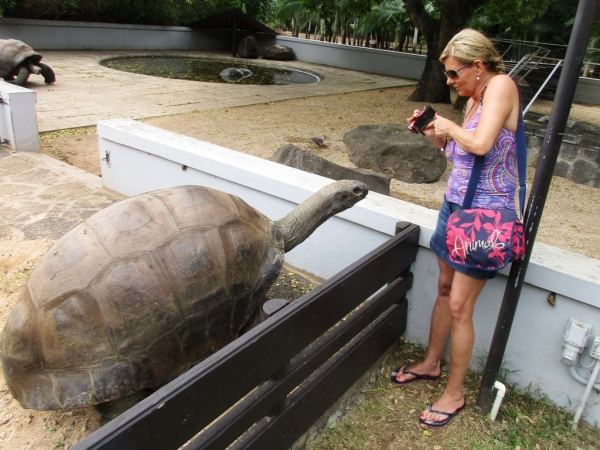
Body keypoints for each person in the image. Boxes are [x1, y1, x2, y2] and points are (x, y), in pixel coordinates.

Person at [391, 28, 521, 429]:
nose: (449, 82)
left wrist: (449, 126)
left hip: (486, 217)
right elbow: (461, 153)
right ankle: (431, 364)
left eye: (453, 74)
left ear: (478, 66)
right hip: (456, 207)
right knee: (445, 291)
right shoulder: (476, 97)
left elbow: (481, 144)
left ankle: (455, 393)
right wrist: (435, 134)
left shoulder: (501, 86)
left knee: (461, 306)